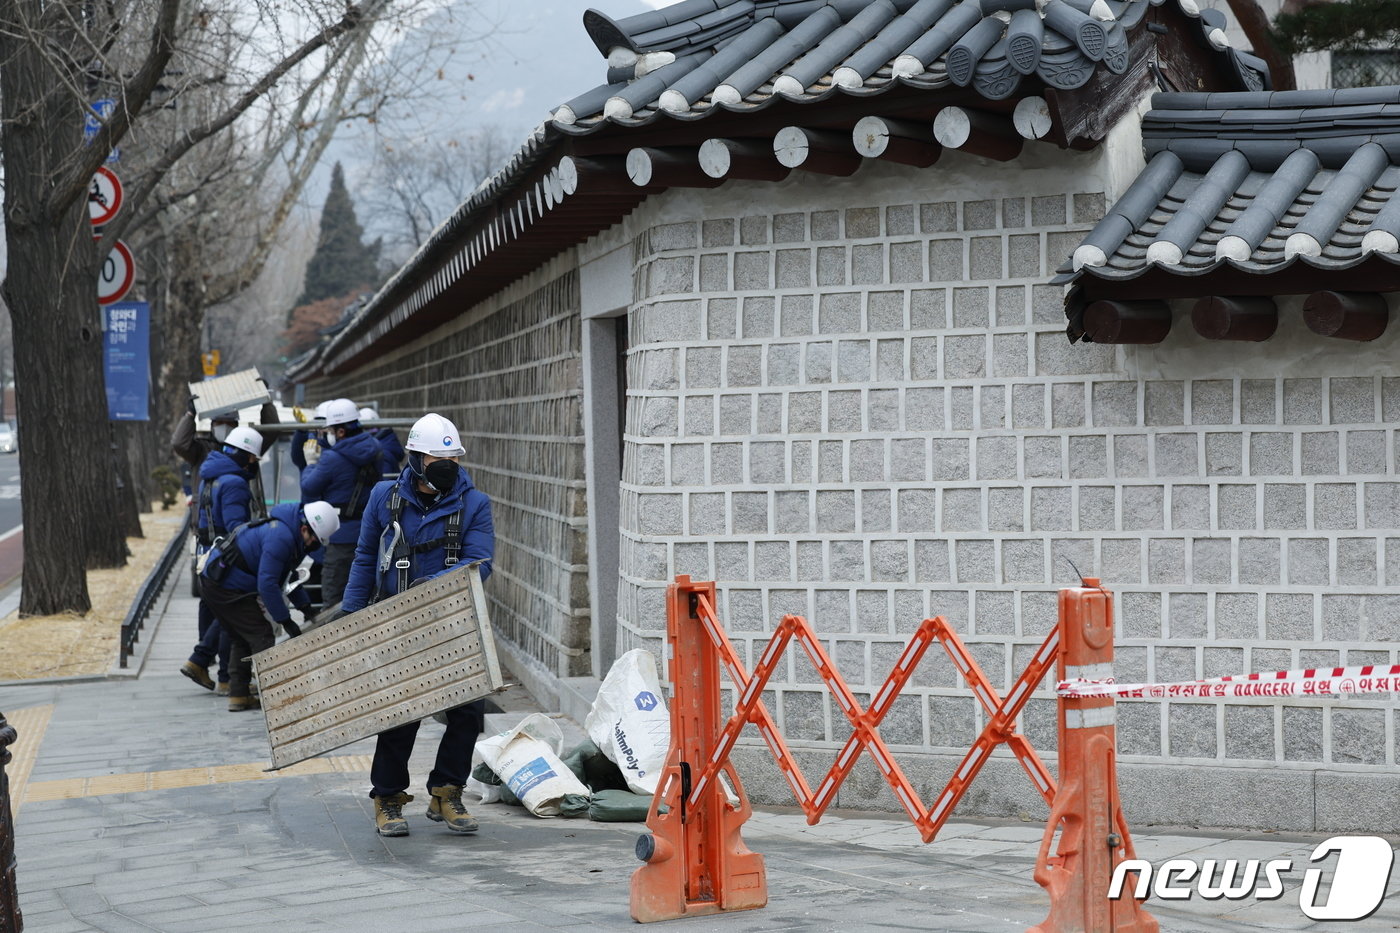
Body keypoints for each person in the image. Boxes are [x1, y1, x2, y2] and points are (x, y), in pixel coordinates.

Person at [342, 412, 494, 837]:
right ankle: (388, 798)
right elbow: (364, 555)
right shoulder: (383, 497)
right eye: (435, 459)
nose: (446, 467)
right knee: (400, 713)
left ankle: (447, 791)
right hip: (395, 623)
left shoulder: (474, 504)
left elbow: (480, 563)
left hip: (452, 622)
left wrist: (433, 587)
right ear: (413, 458)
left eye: (452, 459)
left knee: (467, 711)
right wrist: (351, 615)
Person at [199, 501, 339, 712]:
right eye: (314, 542)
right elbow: (267, 583)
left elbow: (286, 575)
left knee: (242, 637)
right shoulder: (281, 537)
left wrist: (305, 608)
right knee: (261, 634)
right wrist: (285, 619)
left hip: (222, 583)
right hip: (222, 585)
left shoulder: (290, 534)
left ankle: (239, 696)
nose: (313, 547)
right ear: (304, 529)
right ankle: (275, 699)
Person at [180, 426, 263, 693]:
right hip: (228, 557)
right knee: (232, 613)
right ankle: (217, 670)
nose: (254, 464)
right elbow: (237, 527)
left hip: (208, 553)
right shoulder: (234, 482)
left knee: (214, 610)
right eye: (253, 459)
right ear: (245, 455)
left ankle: (203, 663)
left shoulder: (210, 475)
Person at [299, 398, 384, 608]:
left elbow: (309, 487)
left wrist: (310, 464)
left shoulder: (331, 458)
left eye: (330, 430)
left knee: (334, 594)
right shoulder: (376, 448)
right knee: (368, 594)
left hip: (340, 534)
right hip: (370, 531)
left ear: (341, 432)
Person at [359, 406, 405, 476]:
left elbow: (384, 480)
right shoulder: (387, 442)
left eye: (370, 428)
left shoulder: (381, 453)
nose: (367, 432)